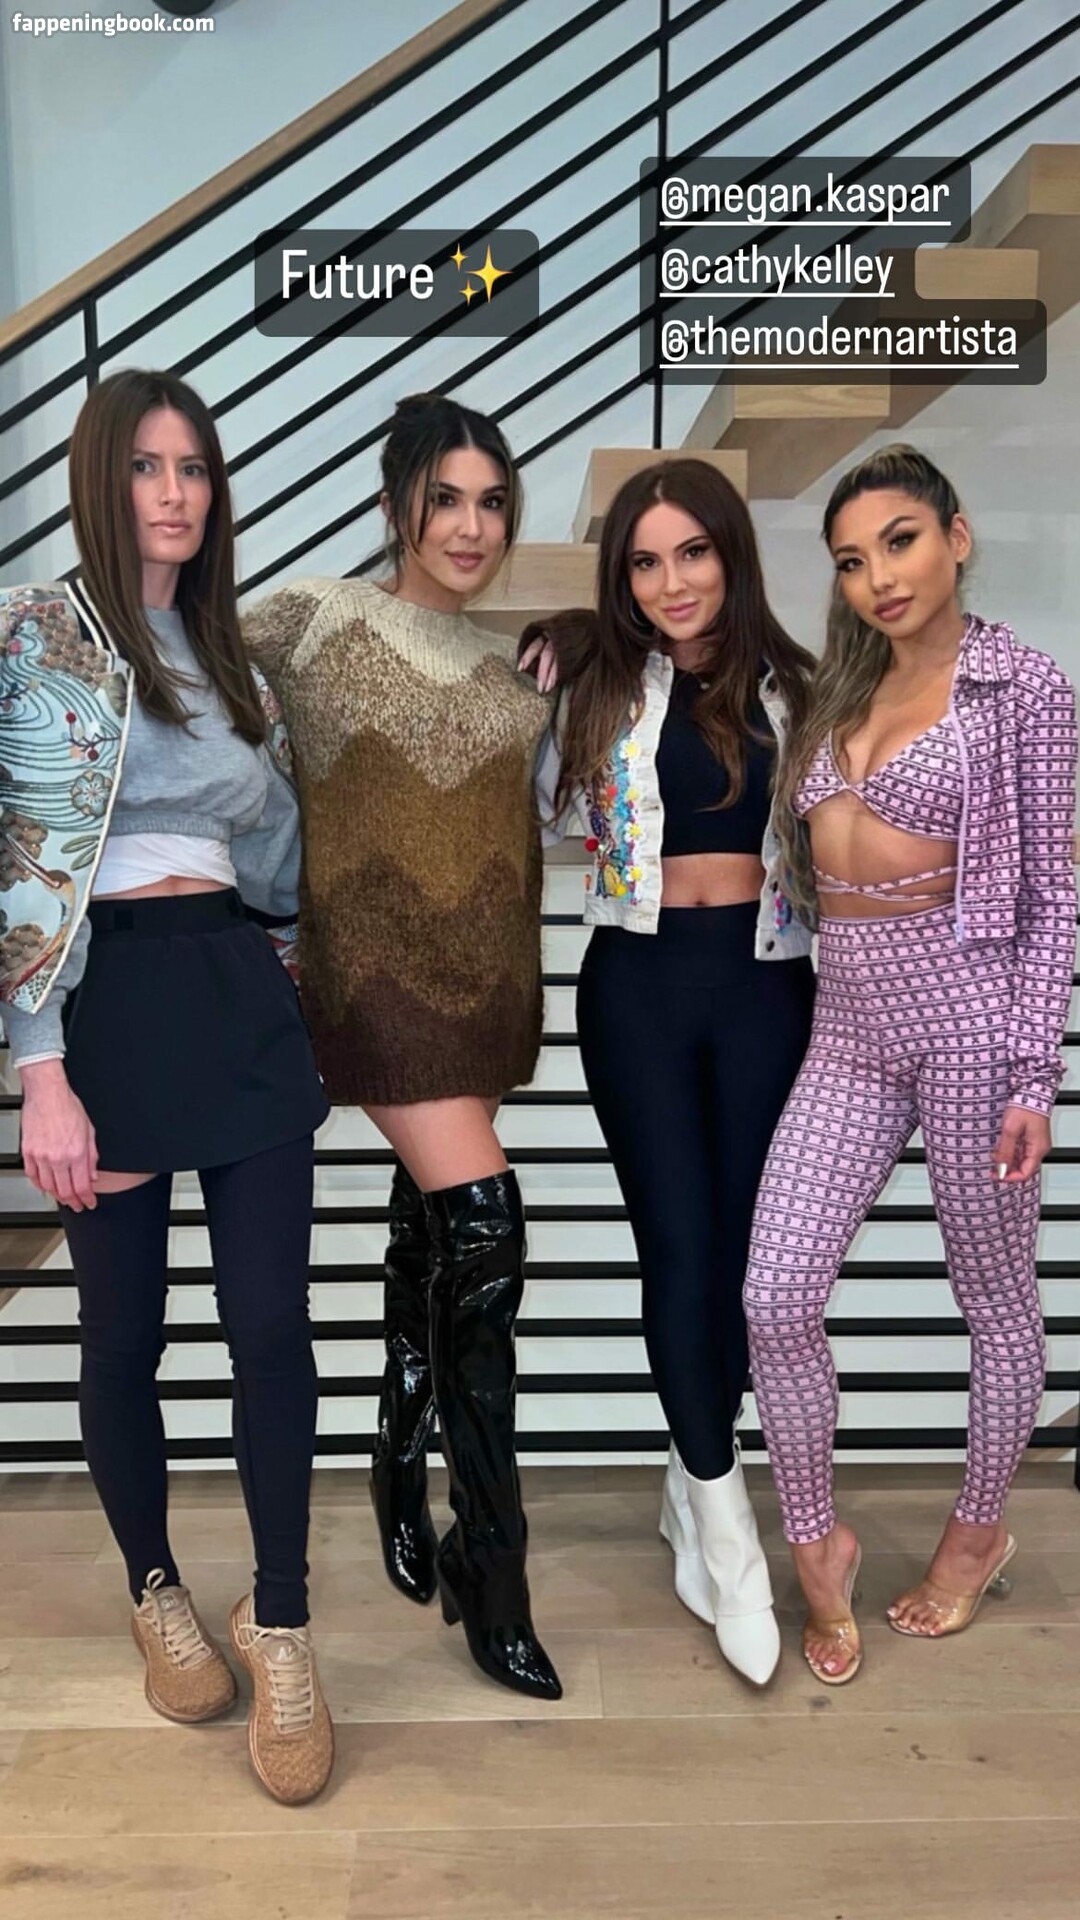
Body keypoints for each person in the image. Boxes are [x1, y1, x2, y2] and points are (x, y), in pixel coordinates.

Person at [0, 369, 334, 1803]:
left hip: (236, 992)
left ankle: (286, 1621)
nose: (177, 492)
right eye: (147, 465)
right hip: (110, 1006)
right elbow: (23, 859)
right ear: (101, 478)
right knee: (122, 1335)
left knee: (271, 1326)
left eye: (194, 467)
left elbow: (275, 854)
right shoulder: (39, 636)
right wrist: (41, 1070)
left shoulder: (235, 658)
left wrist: (300, 958)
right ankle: (153, 1586)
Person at [242, 394, 562, 1701]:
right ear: (394, 506)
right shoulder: (308, 619)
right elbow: (172, 676)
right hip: (369, 987)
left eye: (492, 502)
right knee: (486, 1231)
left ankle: (397, 1452)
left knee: (436, 1234)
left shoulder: (518, 673)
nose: (471, 526)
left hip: (489, 989)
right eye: (445, 500)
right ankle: (495, 1565)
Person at [743, 443, 1077, 1684]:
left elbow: (1055, 897)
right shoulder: (839, 685)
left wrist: (1033, 1074)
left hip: (969, 1020)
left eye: (899, 541)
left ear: (956, 536)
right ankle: (816, 1541)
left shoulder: (1024, 686)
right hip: (848, 1026)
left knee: (993, 1302)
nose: (878, 576)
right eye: (850, 559)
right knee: (774, 1295)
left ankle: (977, 1536)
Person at [530, 457, 817, 1686]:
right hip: (637, 992)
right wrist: (560, 648)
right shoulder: (597, 681)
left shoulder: (801, 686)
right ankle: (727, 1533)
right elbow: (533, 810)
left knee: (752, 1274)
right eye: (644, 562)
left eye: (691, 552)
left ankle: (687, 1471)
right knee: (680, 1253)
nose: (671, 582)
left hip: (768, 991)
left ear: (731, 552)